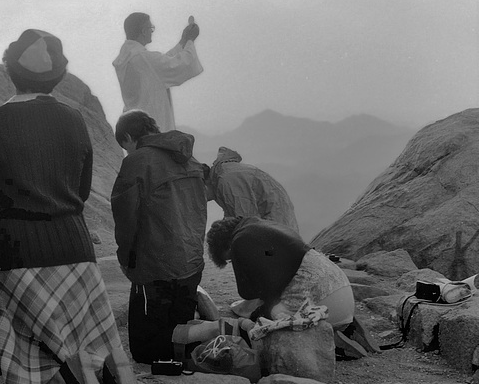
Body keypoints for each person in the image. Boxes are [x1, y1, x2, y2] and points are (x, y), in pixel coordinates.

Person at [0, 29, 144, 384]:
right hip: (76, 252)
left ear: (11, 72)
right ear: (59, 77)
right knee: (76, 308)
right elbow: (80, 189)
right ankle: (114, 367)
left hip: (12, 250)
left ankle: (64, 376)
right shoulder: (74, 119)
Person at [110, 110, 207, 364]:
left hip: (155, 269)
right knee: (179, 331)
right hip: (191, 262)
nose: (127, 153)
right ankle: (208, 334)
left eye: (125, 147)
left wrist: (126, 259)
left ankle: (214, 330)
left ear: (129, 137)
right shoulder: (188, 157)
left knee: (144, 350)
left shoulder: (138, 161)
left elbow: (126, 218)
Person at [206, 216, 375, 357]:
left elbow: (248, 293)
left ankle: (328, 341)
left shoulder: (240, 241)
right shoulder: (261, 226)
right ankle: (348, 328)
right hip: (339, 287)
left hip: (323, 300)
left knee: (268, 319)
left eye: (230, 259)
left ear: (227, 246)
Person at [112, 12, 203, 131]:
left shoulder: (128, 57)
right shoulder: (142, 58)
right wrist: (190, 40)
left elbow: (161, 65)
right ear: (144, 31)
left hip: (135, 128)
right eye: (151, 28)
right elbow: (178, 65)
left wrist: (183, 41)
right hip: (153, 128)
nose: (152, 31)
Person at [204, 147, 300, 234]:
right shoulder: (222, 177)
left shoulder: (226, 180)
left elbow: (245, 221)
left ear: (203, 184)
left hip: (275, 229)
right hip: (279, 225)